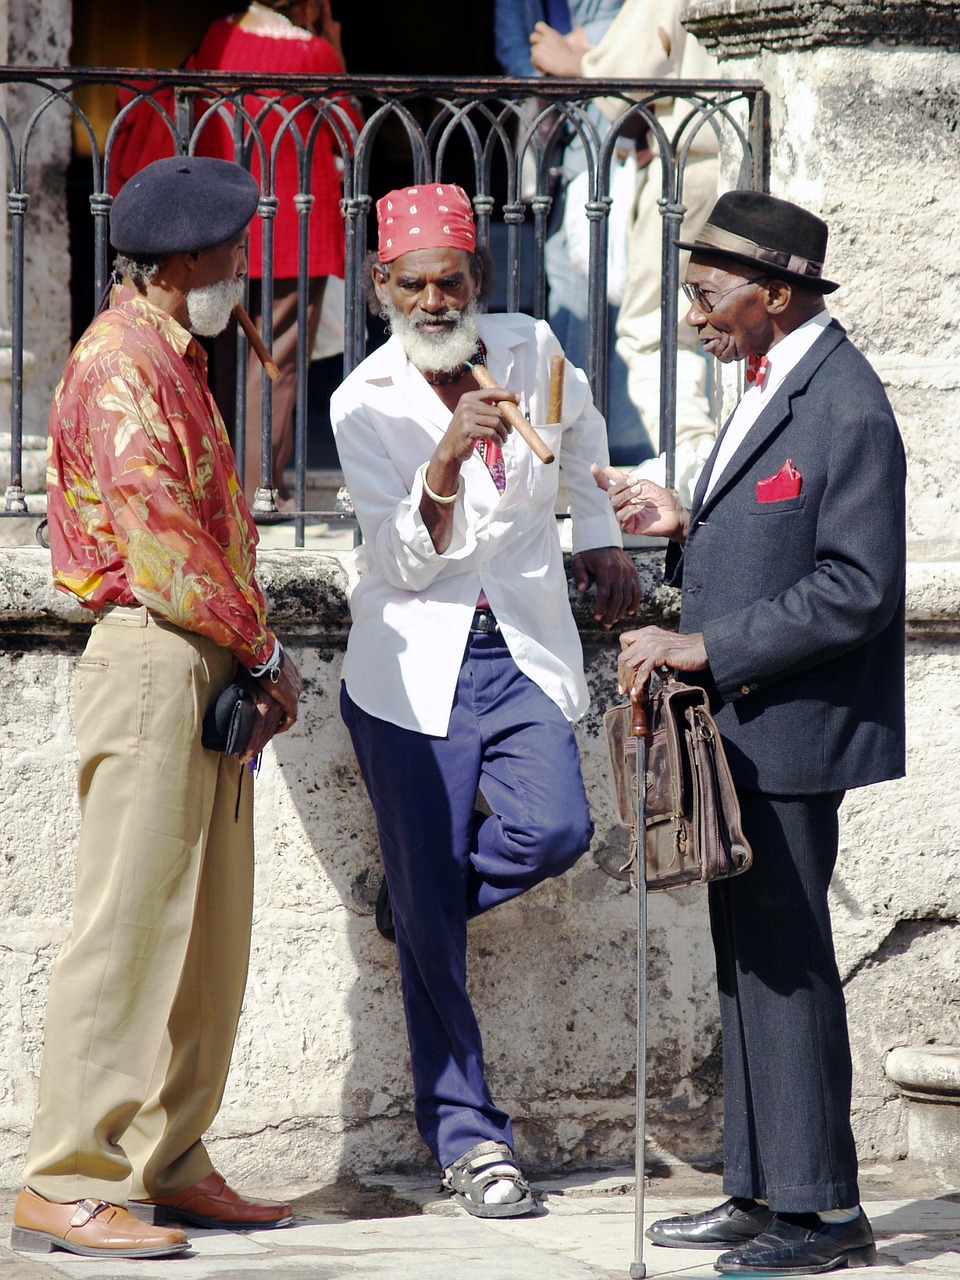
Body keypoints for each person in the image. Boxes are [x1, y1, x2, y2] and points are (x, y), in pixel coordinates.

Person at [595, 191, 905, 1274]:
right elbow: (777, 528)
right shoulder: (776, 380)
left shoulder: (846, 405)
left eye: (707, 296)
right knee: (746, 961)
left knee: (787, 960)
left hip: (794, 727)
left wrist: (703, 646)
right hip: (749, 723)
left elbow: (856, 587)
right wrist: (690, 523)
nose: (694, 316)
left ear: (777, 294)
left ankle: (821, 1211)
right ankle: (758, 1185)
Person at [12, 156, 303, 1260]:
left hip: (207, 654)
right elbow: (164, 544)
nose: (242, 265)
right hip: (157, 652)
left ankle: (169, 1161)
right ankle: (68, 1176)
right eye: (230, 250)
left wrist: (250, 654)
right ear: (186, 260)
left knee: (208, 942)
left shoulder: (176, 351)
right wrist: (268, 648)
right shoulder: (121, 359)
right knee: (129, 930)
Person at [331, 183, 641, 1219]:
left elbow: (584, 429)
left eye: (449, 282)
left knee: (556, 827)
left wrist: (596, 527)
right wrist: (445, 462)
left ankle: (421, 904)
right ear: (382, 286)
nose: (432, 299)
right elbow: (400, 563)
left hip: (517, 647)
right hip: (410, 666)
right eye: (412, 284)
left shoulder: (530, 344)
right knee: (432, 926)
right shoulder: (363, 399)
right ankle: (470, 1138)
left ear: (478, 280)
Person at [190, 0, 360, 508]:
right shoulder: (314, 56)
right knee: (276, 366)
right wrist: (334, 44)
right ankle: (259, 490)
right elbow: (350, 134)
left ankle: (217, 488)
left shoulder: (216, 42)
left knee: (222, 362)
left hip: (223, 224)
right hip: (295, 226)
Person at [576, 0, 722, 502]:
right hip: (735, 157)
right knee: (726, 320)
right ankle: (717, 458)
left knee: (655, 334)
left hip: (690, 165)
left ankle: (701, 463)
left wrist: (576, 59)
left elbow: (619, 78)